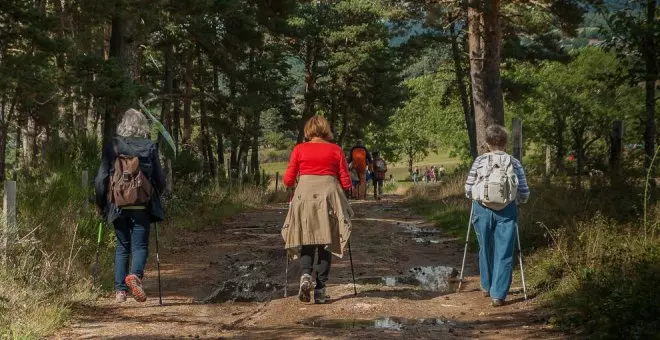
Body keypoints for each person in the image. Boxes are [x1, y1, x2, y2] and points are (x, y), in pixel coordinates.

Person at [95, 108, 166, 303]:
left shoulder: (114, 146)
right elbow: (160, 180)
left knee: (122, 246)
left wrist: (101, 204)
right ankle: (135, 276)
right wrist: (157, 195)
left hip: (118, 205)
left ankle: (120, 291)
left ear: (123, 125)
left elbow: (101, 178)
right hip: (142, 205)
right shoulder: (150, 147)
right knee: (140, 245)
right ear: (142, 126)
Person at [281, 115, 354, 304]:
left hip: (304, 195)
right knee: (325, 243)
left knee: (307, 238)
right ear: (326, 130)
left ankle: (305, 276)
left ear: (308, 131)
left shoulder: (299, 149)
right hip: (328, 196)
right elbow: (346, 181)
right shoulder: (336, 150)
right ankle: (321, 290)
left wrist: (293, 183)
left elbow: (288, 180)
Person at [464, 125, 530, 307]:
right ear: (506, 143)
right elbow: (524, 191)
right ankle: (498, 295)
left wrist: (474, 196)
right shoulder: (514, 162)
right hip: (507, 210)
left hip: (482, 209)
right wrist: (519, 201)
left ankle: (486, 285)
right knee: (505, 251)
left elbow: (468, 189)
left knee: (485, 246)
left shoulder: (479, 161)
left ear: (486, 143)